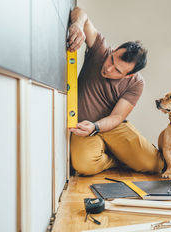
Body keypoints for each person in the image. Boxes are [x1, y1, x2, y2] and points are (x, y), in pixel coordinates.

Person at [67, 7, 164, 176]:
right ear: (114, 51)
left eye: (117, 71)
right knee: (84, 166)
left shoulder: (136, 83)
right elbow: (80, 12)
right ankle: (115, 159)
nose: (108, 68)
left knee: (155, 164)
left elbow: (117, 117)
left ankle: (121, 154)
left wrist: (96, 126)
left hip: (111, 126)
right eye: (112, 59)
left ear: (129, 75)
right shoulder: (100, 50)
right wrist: (77, 24)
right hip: (83, 126)